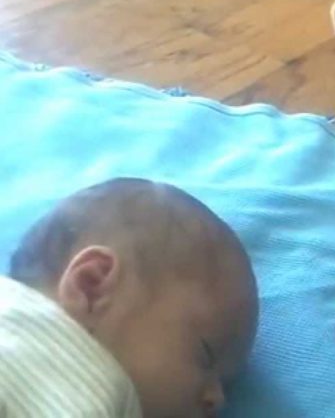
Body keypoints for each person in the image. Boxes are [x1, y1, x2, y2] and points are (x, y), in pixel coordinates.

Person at [0, 178, 259, 417]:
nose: (218, 399)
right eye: (205, 355)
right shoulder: (80, 386)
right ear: (92, 286)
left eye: (226, 383)